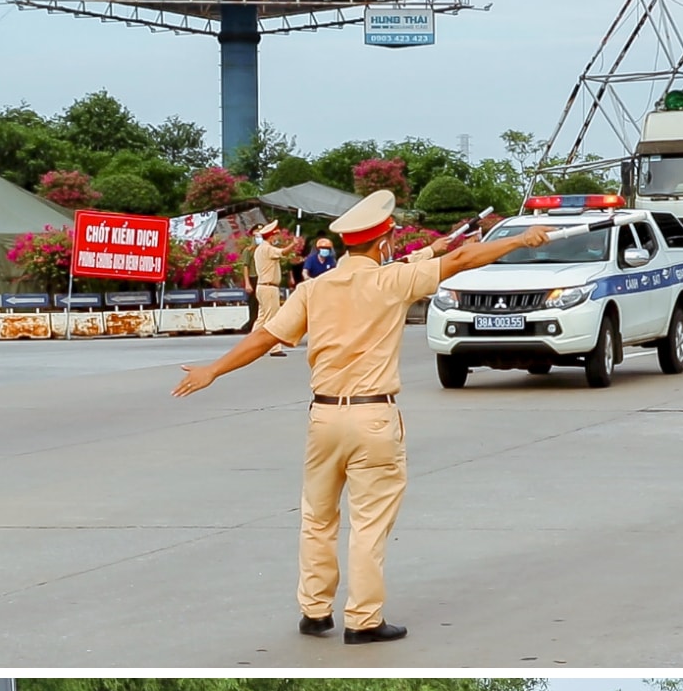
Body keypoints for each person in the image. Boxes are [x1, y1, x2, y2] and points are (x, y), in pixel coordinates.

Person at [172, 189, 550, 644]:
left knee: (317, 517)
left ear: (346, 243)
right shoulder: (392, 282)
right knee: (368, 522)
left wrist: (213, 369)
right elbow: (467, 259)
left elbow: (265, 337)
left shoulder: (314, 287)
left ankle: (314, 612)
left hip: (323, 418)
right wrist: (520, 239)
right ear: (385, 241)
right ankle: (363, 619)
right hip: (373, 417)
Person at [250, 220, 292, 356]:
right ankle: (275, 348)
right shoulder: (267, 248)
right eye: (275, 236)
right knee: (272, 318)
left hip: (262, 286)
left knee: (261, 318)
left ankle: (251, 343)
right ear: (271, 236)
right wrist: (293, 244)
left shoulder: (259, 249)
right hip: (269, 287)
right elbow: (283, 252)